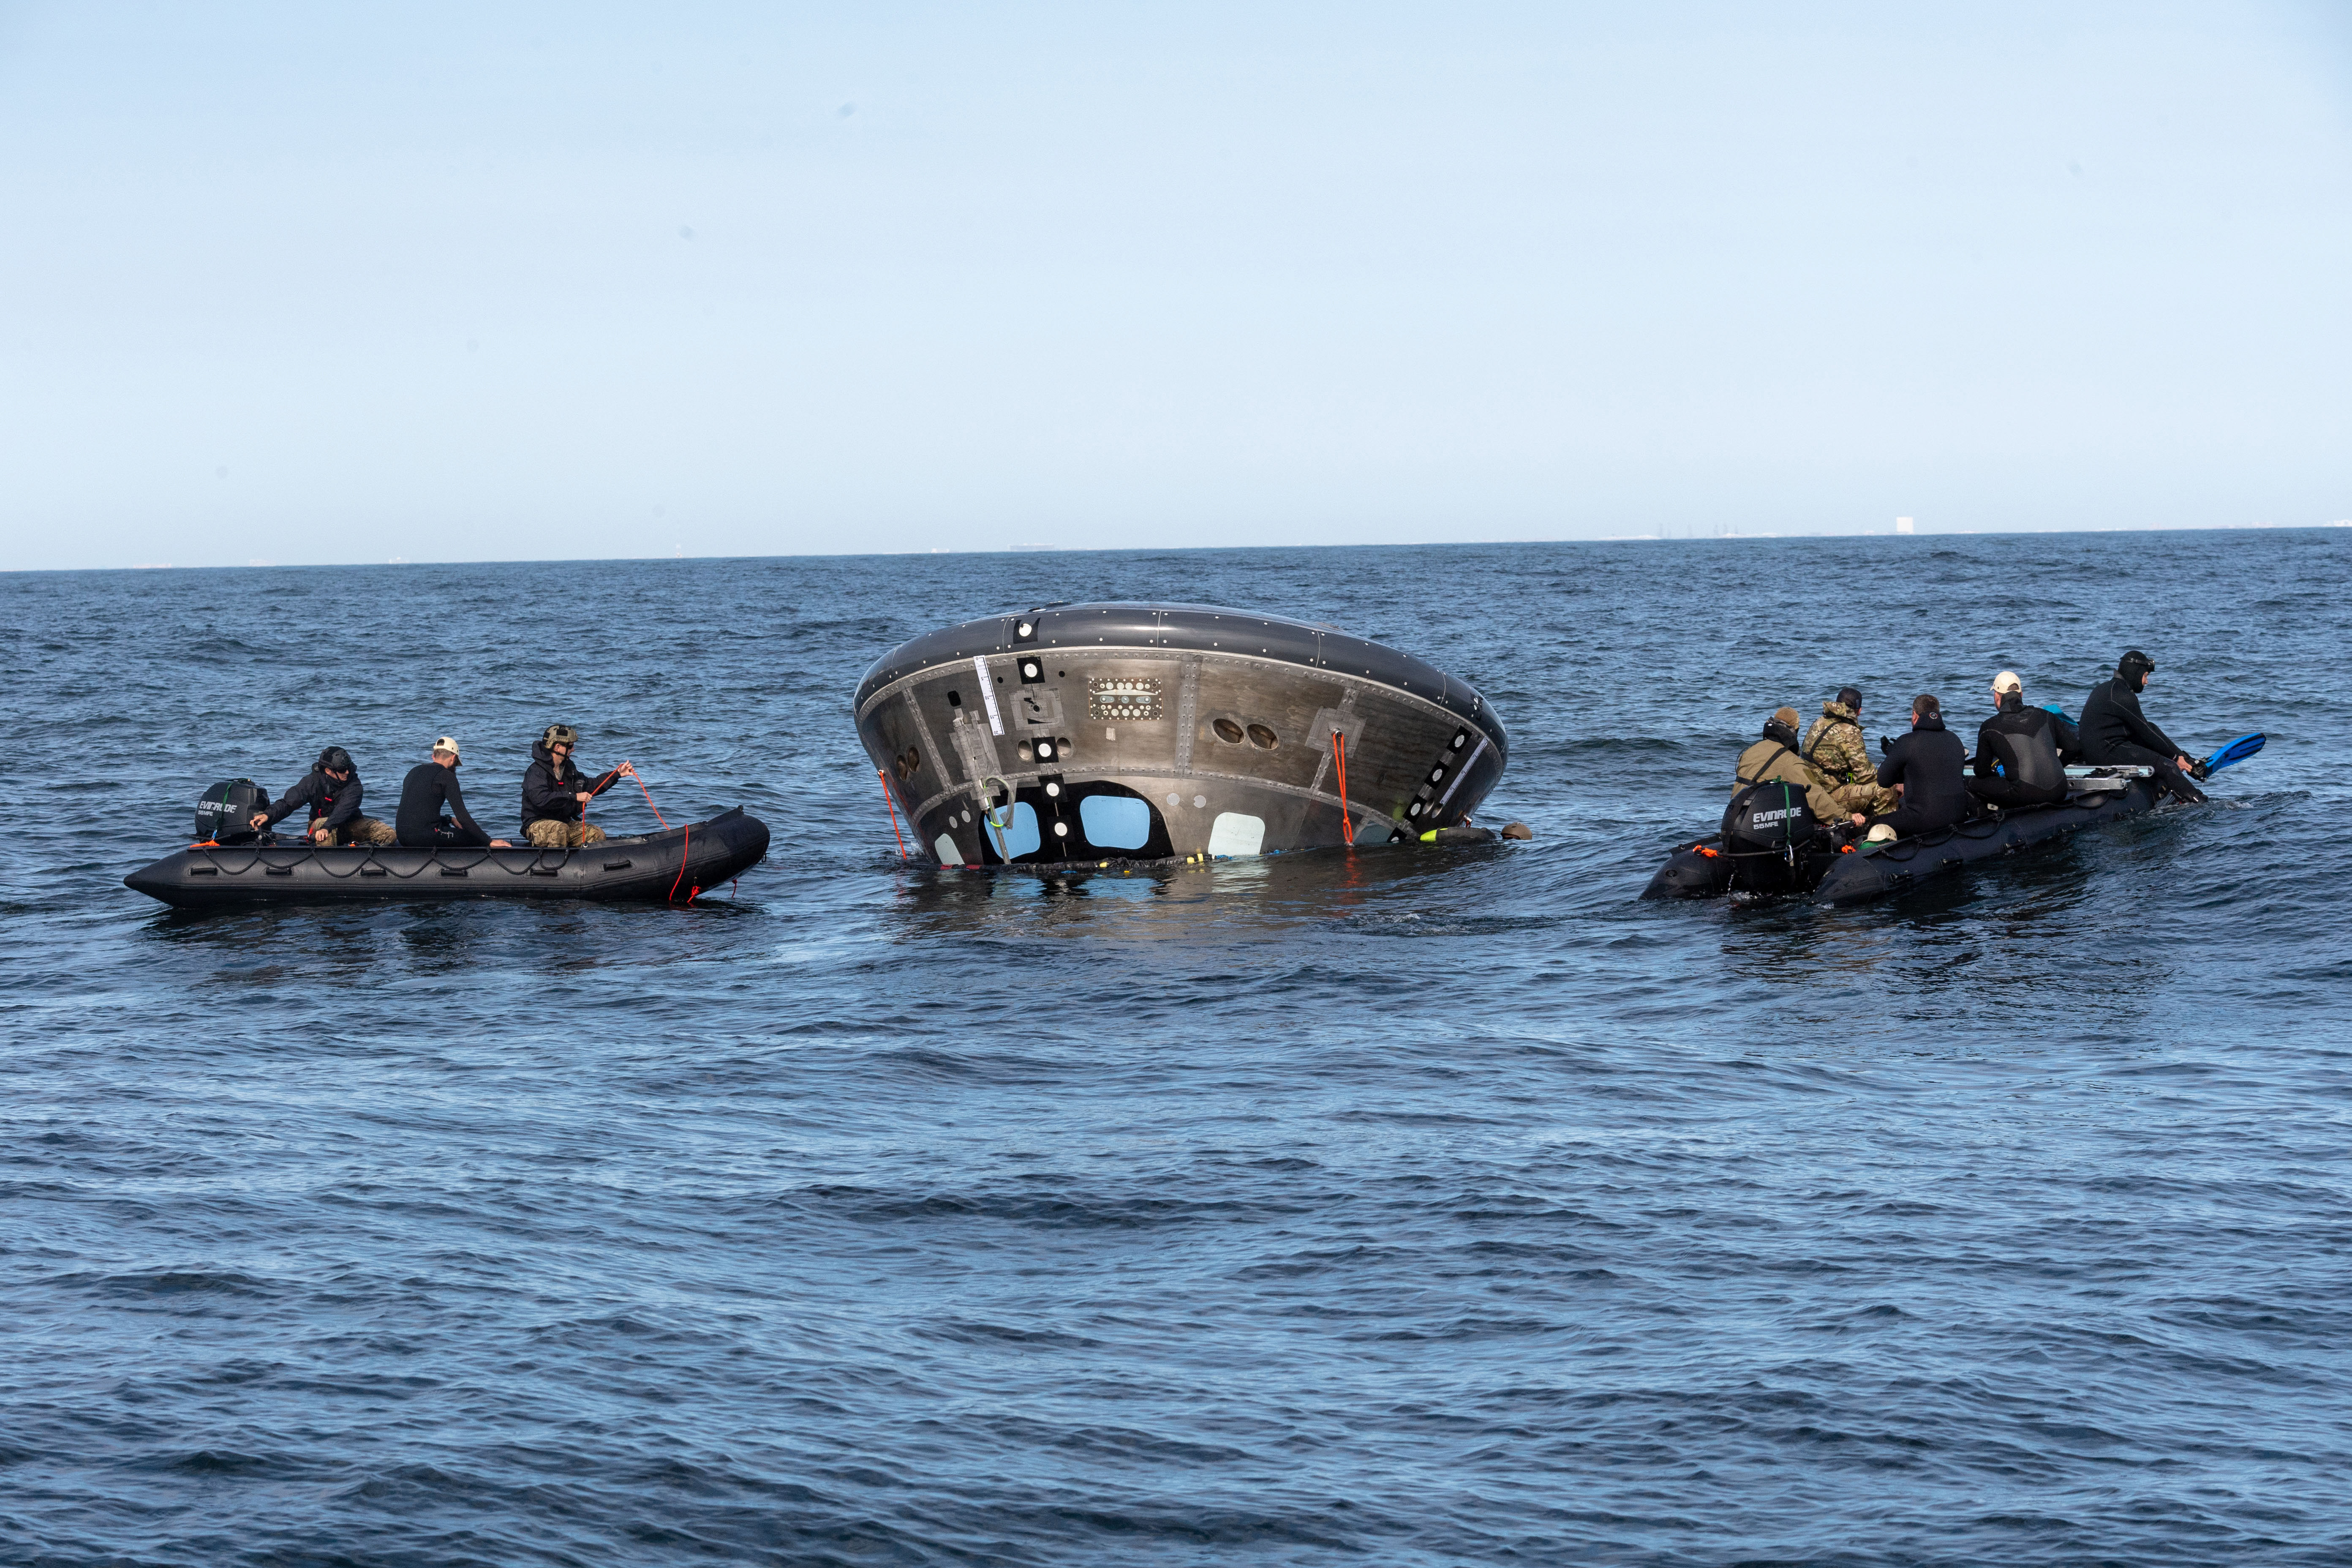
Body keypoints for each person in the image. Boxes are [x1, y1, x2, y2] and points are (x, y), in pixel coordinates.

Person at [2077, 649, 2206, 803]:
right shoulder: (2122, 695)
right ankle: (2200, 804)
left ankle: (2189, 763)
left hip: (2103, 746)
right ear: (2135, 673)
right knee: (2168, 766)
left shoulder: (2111, 689)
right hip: (2105, 751)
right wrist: (2175, 759)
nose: (2147, 682)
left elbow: (2150, 729)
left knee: (2155, 732)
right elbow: (2147, 734)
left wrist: (2183, 757)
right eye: (2146, 676)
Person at [1735, 706, 1864, 828]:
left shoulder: (1749, 752)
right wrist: (1846, 817)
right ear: (1794, 732)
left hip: (1736, 817)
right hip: (1760, 822)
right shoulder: (1790, 762)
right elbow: (1815, 796)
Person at [1869, 694, 1974, 838]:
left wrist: (1895, 757)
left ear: (1914, 715)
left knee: (1877, 823)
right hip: (1959, 815)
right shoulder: (1955, 740)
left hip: (1925, 818)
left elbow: (1884, 781)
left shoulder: (1907, 742)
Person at [248, 746, 397, 846]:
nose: (347, 772)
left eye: (348, 768)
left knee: (389, 834)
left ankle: (364, 862)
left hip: (349, 825)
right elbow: (289, 803)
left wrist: (328, 826)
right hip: (320, 828)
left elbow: (344, 810)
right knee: (322, 825)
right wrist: (268, 816)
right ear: (328, 771)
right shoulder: (312, 782)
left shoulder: (354, 785)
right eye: (342, 770)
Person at [520, 724, 638, 849]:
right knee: (560, 830)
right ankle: (553, 865)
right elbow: (541, 799)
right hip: (536, 824)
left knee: (596, 834)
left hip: (564, 823)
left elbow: (590, 785)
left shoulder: (569, 768)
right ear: (558, 747)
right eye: (570, 746)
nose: (573, 750)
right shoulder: (536, 771)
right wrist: (574, 797)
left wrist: (617, 774)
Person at [1966, 671, 2069, 810]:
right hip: (2060, 791)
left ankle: (1985, 815)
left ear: (1997, 696)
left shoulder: (1989, 727)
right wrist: (2056, 766)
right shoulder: (2047, 716)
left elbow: (1981, 772)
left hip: (2024, 796)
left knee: (1971, 783)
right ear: (2021, 694)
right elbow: (2074, 748)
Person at [396, 737, 511, 848]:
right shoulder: (446, 776)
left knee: (444, 826)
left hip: (402, 836)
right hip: (424, 837)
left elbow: (418, 814)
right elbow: (463, 817)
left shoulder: (414, 771)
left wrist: (449, 820)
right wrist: (488, 841)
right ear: (453, 758)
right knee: (472, 837)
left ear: (433, 756)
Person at [1803, 686, 1898, 815]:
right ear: (1859, 711)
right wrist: (1892, 777)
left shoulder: (1819, 722)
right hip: (1830, 795)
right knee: (1887, 789)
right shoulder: (1850, 731)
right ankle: (1883, 832)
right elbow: (1864, 775)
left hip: (1813, 791)